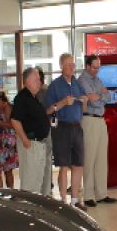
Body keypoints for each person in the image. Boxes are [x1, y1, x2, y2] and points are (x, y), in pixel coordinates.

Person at [45, 53, 88, 210]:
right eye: (69, 64)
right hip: (61, 128)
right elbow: (48, 110)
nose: (72, 67)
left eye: (73, 64)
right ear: (61, 66)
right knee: (63, 165)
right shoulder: (55, 85)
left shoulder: (77, 84)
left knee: (78, 165)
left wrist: (85, 101)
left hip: (77, 127)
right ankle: (63, 201)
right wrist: (63, 102)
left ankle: (75, 200)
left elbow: (83, 108)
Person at [78, 54, 117, 207]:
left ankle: (101, 194)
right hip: (89, 120)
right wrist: (101, 94)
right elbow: (92, 98)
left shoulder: (98, 79)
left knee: (101, 158)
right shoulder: (82, 80)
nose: (96, 70)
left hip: (101, 120)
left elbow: (108, 97)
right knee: (90, 158)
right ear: (87, 66)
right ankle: (88, 195)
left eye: (98, 67)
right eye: (94, 67)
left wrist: (99, 94)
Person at [10, 67, 51, 195]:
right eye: (36, 80)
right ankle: (28, 210)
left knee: (38, 180)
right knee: (30, 182)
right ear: (27, 81)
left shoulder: (34, 97)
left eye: (39, 80)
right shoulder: (21, 98)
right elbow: (15, 120)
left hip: (39, 143)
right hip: (31, 143)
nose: (39, 82)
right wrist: (25, 140)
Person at [34, 67, 54, 195]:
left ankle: (46, 187)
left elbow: (45, 112)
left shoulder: (44, 92)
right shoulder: (37, 92)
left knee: (46, 159)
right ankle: (45, 185)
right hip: (41, 130)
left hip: (45, 129)